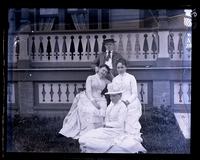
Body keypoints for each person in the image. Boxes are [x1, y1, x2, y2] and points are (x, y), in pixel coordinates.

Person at [59, 64, 111, 139]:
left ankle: (97, 132)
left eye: (106, 72)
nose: (104, 73)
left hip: (100, 99)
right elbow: (89, 92)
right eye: (103, 70)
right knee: (92, 110)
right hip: (88, 98)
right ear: (99, 69)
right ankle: (88, 132)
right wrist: (94, 102)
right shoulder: (91, 78)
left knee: (103, 112)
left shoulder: (105, 81)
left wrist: (110, 74)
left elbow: (114, 81)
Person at [78, 82, 127, 153]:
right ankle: (96, 145)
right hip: (107, 130)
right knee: (83, 138)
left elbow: (120, 124)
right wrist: (104, 125)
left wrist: (105, 124)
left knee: (87, 139)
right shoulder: (111, 104)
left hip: (116, 131)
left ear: (120, 95)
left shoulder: (122, 106)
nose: (111, 98)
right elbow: (107, 117)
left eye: (114, 96)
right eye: (110, 96)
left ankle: (104, 145)